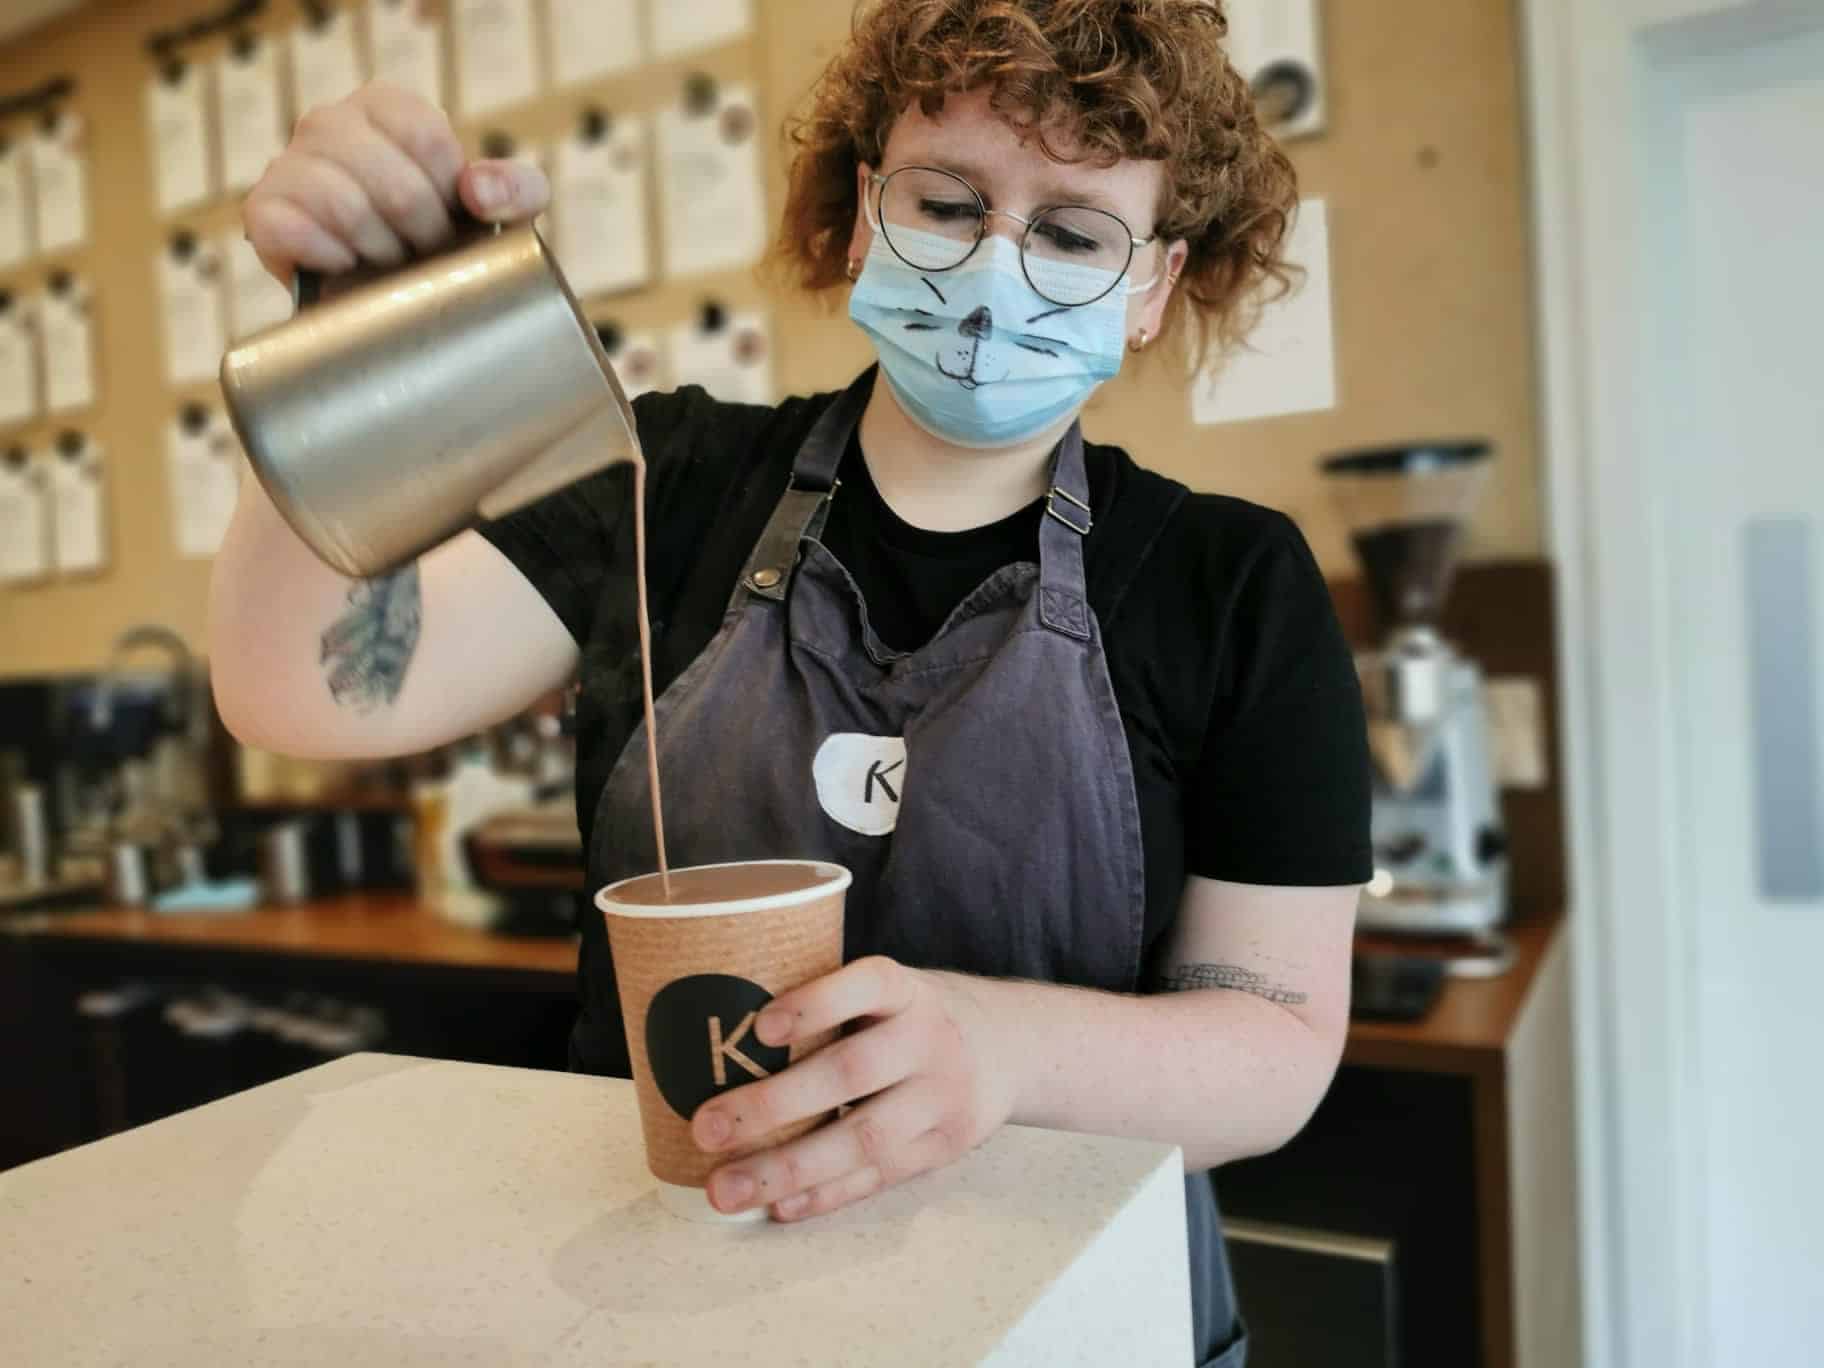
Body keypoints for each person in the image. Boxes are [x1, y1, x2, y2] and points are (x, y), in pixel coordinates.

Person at [213, 2, 1371, 1361]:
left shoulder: (1231, 586)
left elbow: (1275, 1050)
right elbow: (299, 688)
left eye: (1071, 235)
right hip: (678, 1306)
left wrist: (1001, 1052)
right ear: (865, 210)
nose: (1000, 268)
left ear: (1155, 285)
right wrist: (344, 361)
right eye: (948, 201)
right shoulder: (670, 485)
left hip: (1080, 1316)